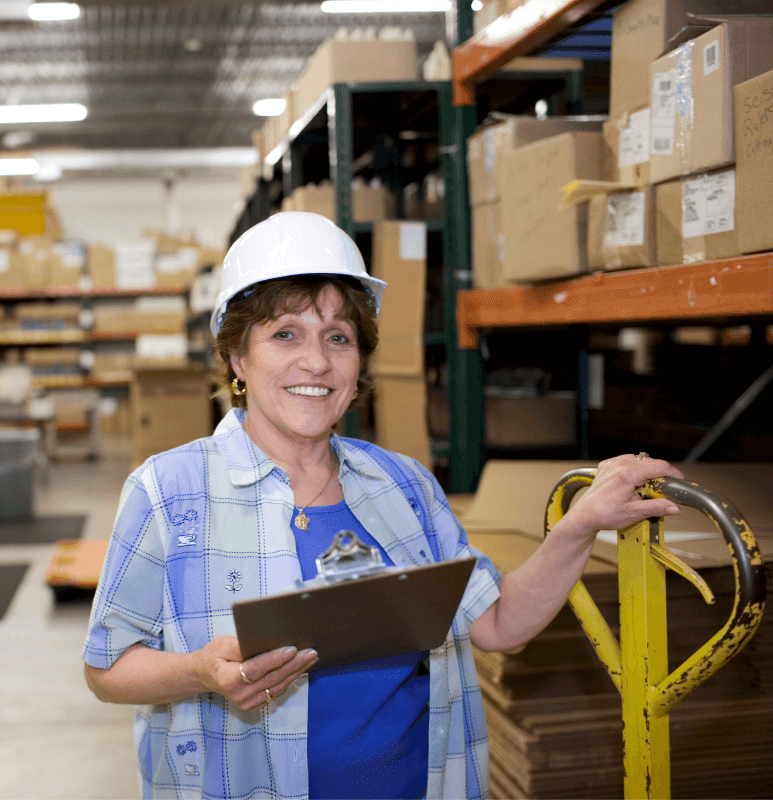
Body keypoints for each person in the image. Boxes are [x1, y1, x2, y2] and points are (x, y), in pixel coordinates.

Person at [82, 212, 682, 800]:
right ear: (238, 358)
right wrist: (197, 672)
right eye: (285, 334)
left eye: (338, 338)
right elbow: (106, 669)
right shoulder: (168, 492)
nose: (316, 362)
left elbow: (497, 625)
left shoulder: (404, 486)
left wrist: (579, 526)